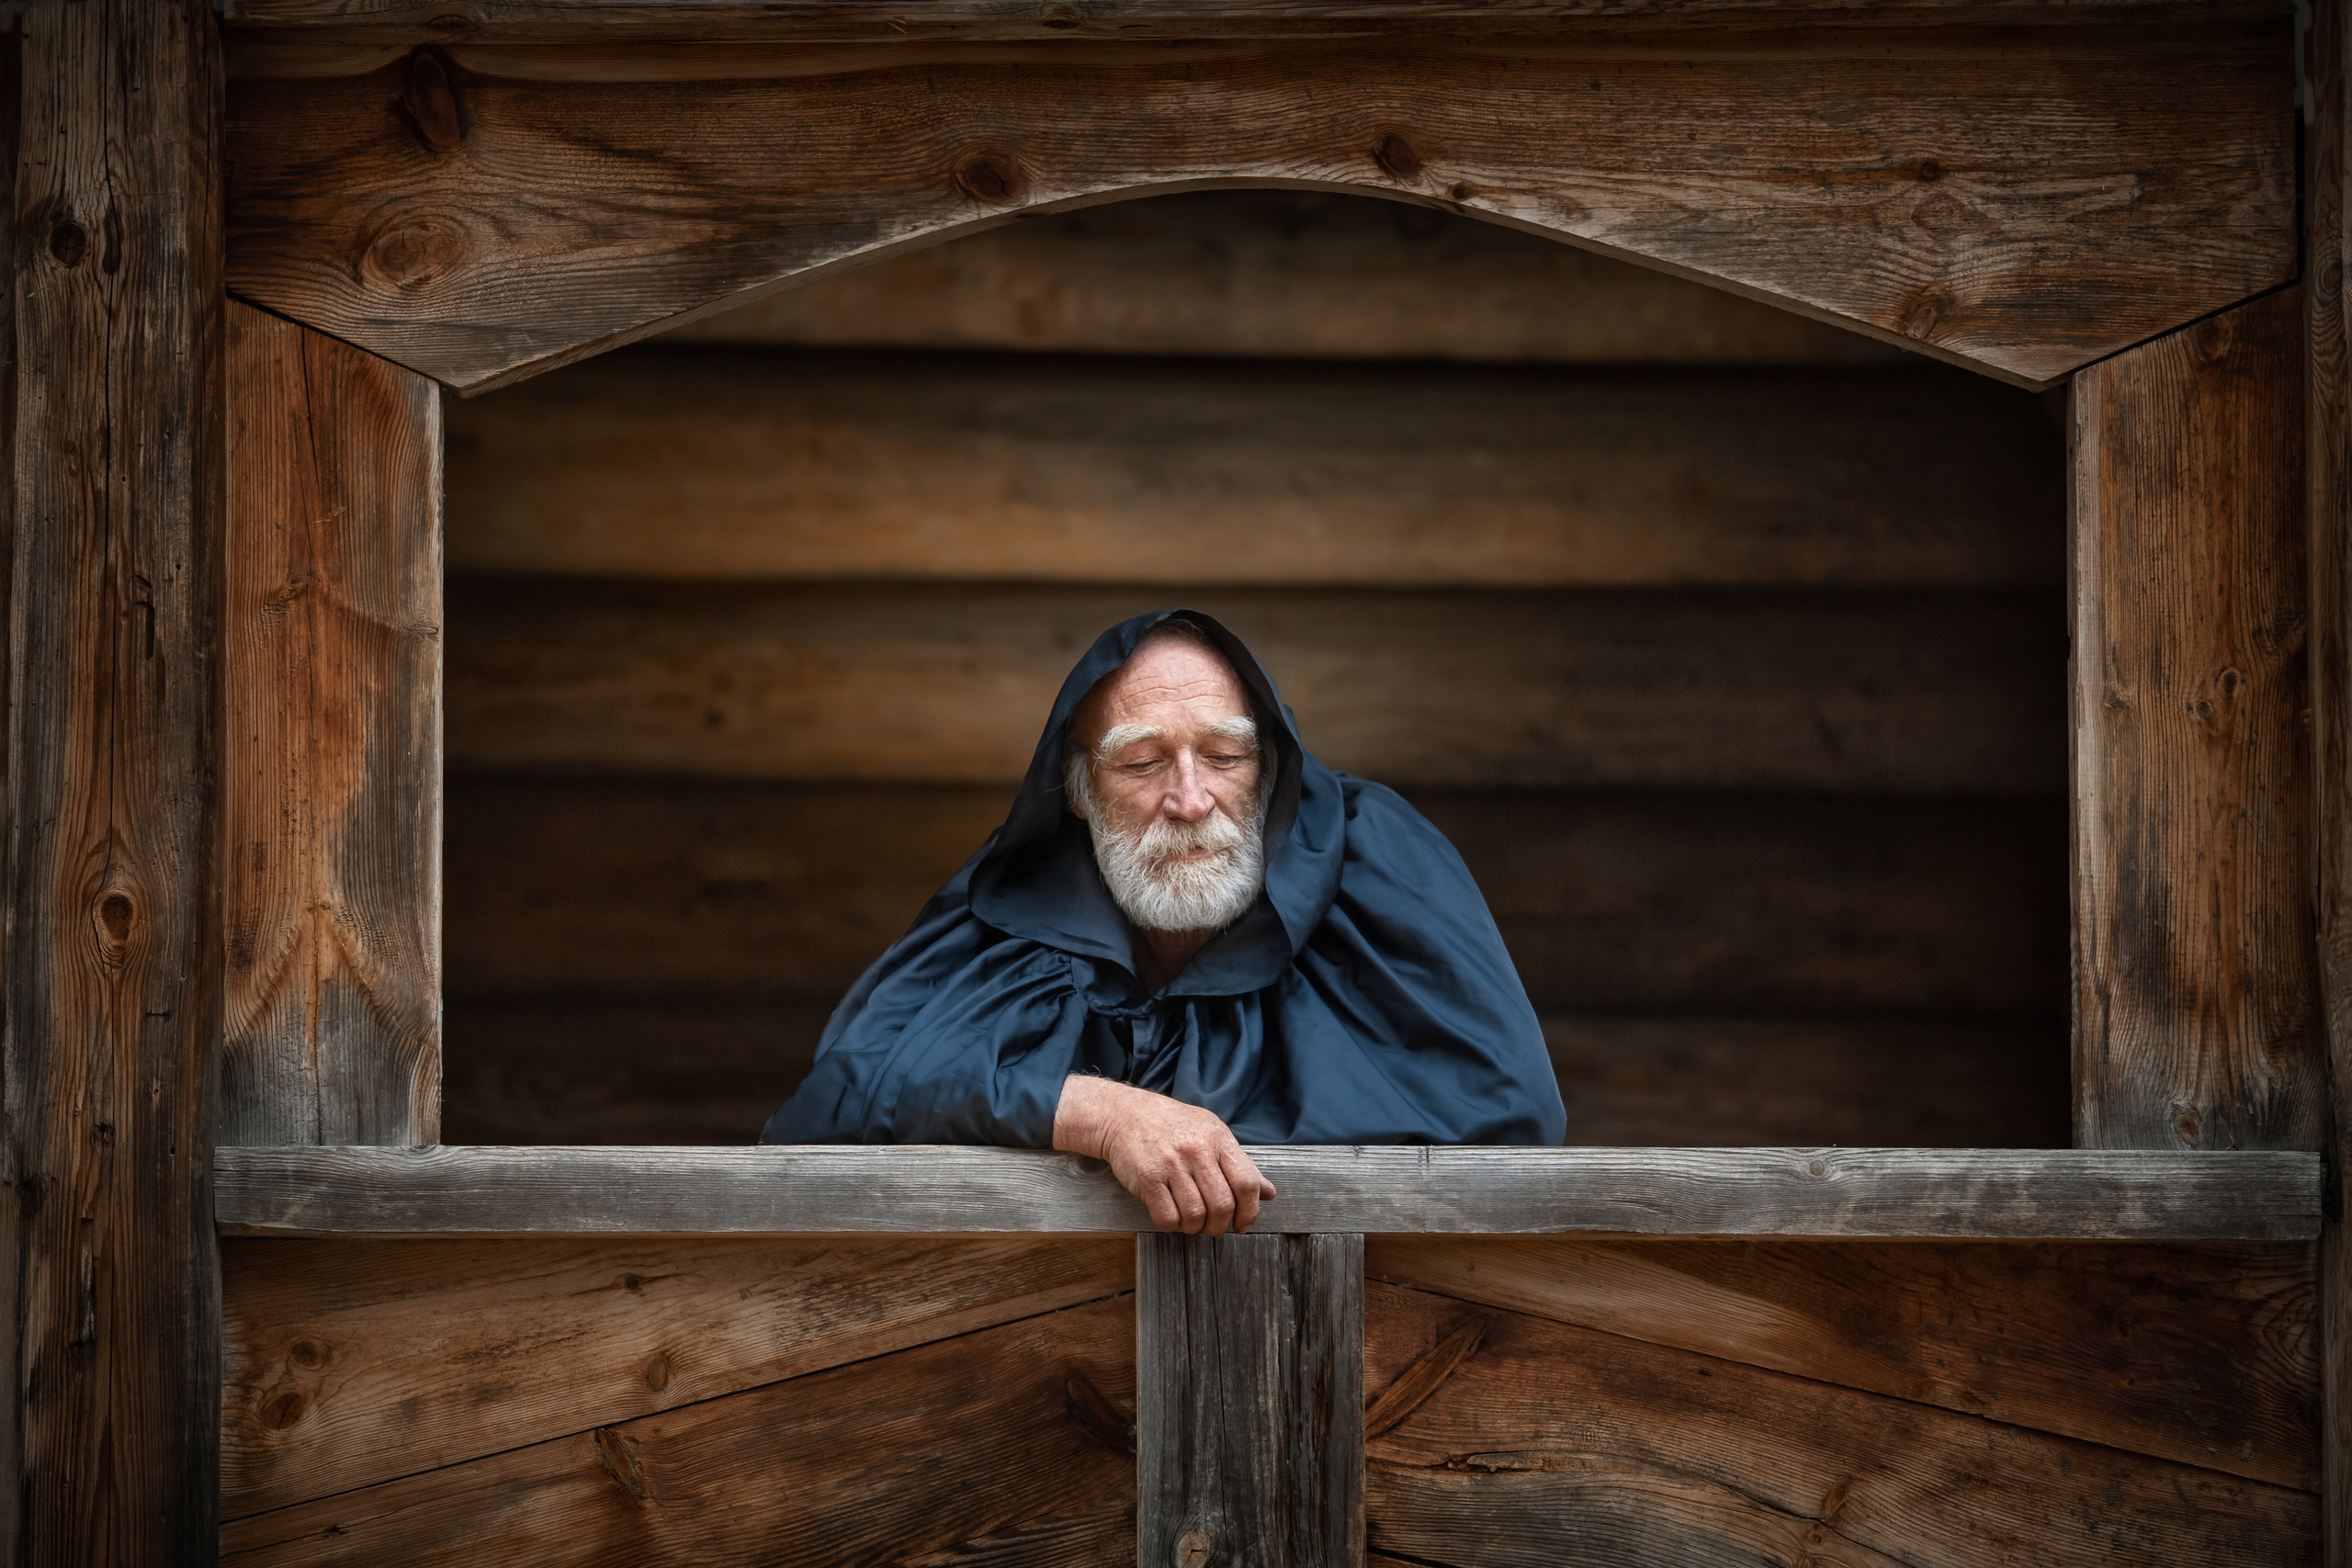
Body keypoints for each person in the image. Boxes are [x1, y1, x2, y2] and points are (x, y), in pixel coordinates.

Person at [760, 609, 1566, 1232]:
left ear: (1270, 768)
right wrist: (1104, 1114)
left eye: (1224, 756)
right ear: (1078, 791)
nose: (1188, 799)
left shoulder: (1375, 858)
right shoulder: (1017, 896)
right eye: (1143, 763)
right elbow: (840, 1097)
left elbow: (1510, 1113)